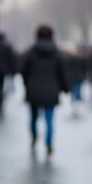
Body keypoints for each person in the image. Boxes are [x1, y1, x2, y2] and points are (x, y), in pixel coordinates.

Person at [20, 24, 68, 156]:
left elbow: (23, 71)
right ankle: (49, 143)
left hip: (33, 90)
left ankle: (34, 136)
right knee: (49, 119)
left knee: (33, 118)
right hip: (51, 90)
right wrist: (65, 88)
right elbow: (62, 73)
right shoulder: (57, 53)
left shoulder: (31, 52)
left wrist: (27, 84)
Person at [62, 43, 88, 115]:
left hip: (72, 78)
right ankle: (77, 105)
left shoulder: (67, 59)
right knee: (77, 91)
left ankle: (76, 105)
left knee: (75, 91)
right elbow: (84, 68)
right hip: (78, 77)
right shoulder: (79, 58)